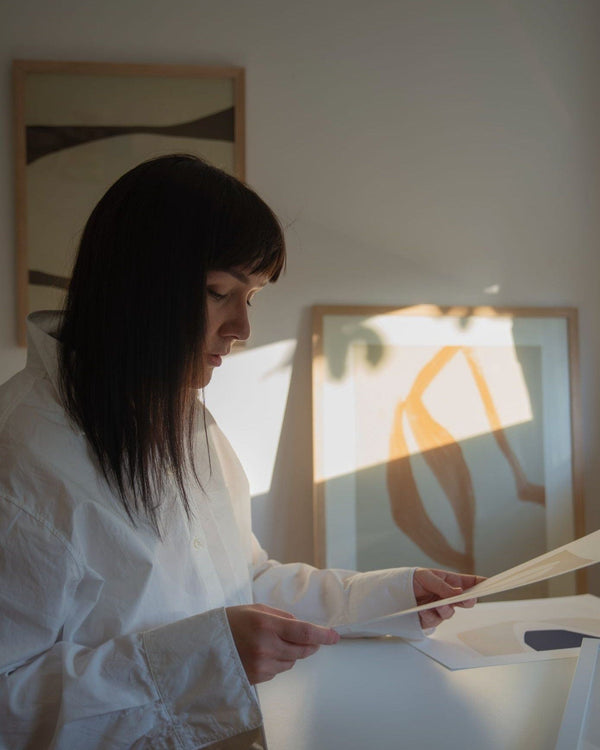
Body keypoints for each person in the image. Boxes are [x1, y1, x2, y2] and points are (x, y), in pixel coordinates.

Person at [0, 154, 483, 749]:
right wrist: (202, 658)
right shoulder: (22, 462)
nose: (241, 329)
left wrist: (391, 598)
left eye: (249, 298)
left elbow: (240, 582)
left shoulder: (185, 423)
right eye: (218, 292)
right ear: (136, 285)